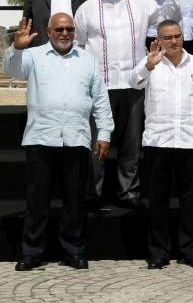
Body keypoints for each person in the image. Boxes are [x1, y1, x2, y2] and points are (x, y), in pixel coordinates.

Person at [5, 14, 112, 271]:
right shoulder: (34, 55)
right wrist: (17, 47)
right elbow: (13, 70)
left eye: (69, 29)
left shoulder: (88, 60)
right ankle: (32, 252)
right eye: (60, 29)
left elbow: (100, 99)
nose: (65, 33)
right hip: (41, 137)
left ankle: (73, 250)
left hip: (75, 138)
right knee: (37, 201)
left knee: (74, 201)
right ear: (49, 31)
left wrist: (105, 132)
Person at [73, 0, 180, 209]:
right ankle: (93, 192)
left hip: (134, 84)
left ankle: (128, 192)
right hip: (99, 87)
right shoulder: (87, 8)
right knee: (97, 143)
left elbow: (171, 17)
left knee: (131, 143)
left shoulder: (140, 3)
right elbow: (78, 45)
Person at [131, 20, 193, 270]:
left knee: (191, 201)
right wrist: (148, 66)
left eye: (178, 36)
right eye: (168, 37)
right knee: (157, 202)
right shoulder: (151, 63)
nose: (174, 41)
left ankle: (191, 250)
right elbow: (133, 82)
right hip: (157, 142)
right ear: (159, 39)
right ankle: (159, 252)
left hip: (190, 142)